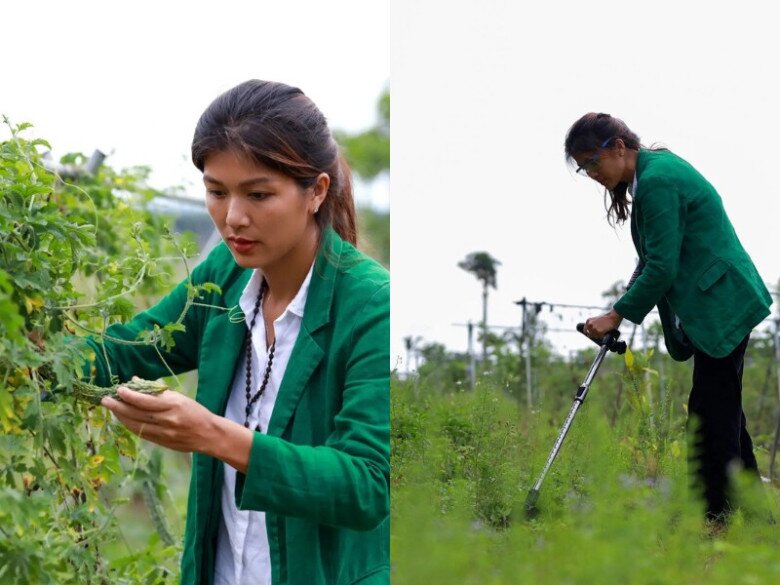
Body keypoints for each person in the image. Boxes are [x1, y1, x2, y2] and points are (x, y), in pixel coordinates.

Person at [94, 80, 390, 584]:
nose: (233, 218)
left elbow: (367, 485)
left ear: (316, 191)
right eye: (216, 192)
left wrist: (213, 435)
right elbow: (126, 351)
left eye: (258, 194)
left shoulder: (371, 306)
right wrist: (27, 355)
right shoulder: (224, 280)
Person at [564, 112, 772, 526]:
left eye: (592, 162)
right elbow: (652, 258)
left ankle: (718, 517)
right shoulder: (651, 175)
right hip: (718, 299)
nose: (590, 174)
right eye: (582, 167)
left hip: (722, 302)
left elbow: (663, 267)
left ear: (618, 147)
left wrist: (615, 314)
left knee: (710, 414)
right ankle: (755, 516)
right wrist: (620, 308)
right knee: (722, 406)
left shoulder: (657, 180)